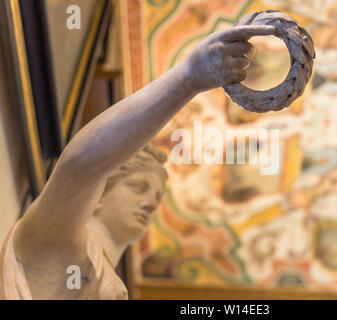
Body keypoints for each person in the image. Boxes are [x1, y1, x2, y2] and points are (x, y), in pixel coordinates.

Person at [0, 24, 277, 299]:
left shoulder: (104, 273)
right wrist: (189, 78)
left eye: (156, 199)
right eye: (139, 187)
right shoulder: (62, 244)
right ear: (99, 192)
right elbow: (81, 168)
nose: (149, 203)